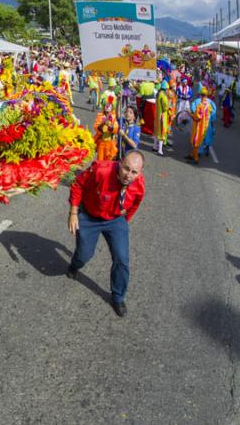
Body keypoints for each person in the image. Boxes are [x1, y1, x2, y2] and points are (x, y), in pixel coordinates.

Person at [66, 150, 146, 317]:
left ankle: (117, 297)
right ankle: (74, 265)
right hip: (89, 217)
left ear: (140, 173)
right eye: (126, 168)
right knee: (84, 255)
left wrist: (123, 222)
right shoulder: (100, 169)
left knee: (122, 259)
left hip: (115, 220)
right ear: (120, 162)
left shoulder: (139, 185)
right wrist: (73, 213)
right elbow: (78, 184)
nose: (128, 175)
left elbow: (134, 204)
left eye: (134, 172)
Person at [186, 87, 212, 164]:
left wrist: (189, 113)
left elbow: (196, 118)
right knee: (196, 142)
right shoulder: (209, 105)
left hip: (198, 127)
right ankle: (191, 155)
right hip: (204, 127)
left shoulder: (200, 106)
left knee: (195, 143)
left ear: (201, 95)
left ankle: (195, 159)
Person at [93, 97, 119, 161]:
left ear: (112, 107)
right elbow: (96, 127)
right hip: (102, 141)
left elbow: (116, 128)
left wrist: (110, 126)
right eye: (106, 105)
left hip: (111, 143)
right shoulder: (100, 116)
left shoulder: (114, 116)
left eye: (109, 105)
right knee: (100, 159)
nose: (107, 107)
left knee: (109, 160)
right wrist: (103, 123)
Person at [153, 81, 170, 156]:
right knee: (162, 132)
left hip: (157, 115)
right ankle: (160, 150)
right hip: (162, 116)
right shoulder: (163, 95)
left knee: (156, 131)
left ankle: (154, 146)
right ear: (165, 88)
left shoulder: (158, 94)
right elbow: (165, 107)